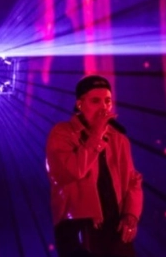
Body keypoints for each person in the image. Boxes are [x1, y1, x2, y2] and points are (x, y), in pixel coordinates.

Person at [46, 75, 143, 257]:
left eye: (107, 101)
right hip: (77, 227)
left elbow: (132, 181)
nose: (103, 107)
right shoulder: (62, 133)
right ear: (80, 104)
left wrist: (131, 215)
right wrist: (96, 135)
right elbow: (73, 171)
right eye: (95, 101)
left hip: (115, 227)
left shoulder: (119, 139)